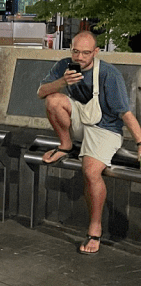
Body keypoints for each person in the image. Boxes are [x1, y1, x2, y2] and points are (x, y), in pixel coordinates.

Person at [37, 30, 141, 254]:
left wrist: (140, 143)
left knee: (91, 171)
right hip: (81, 122)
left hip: (105, 129)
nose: (80, 57)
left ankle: (95, 229)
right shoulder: (65, 66)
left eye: (85, 53)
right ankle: (65, 145)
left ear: (95, 52)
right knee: (53, 101)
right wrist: (62, 82)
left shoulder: (108, 74)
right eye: (76, 51)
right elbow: (41, 92)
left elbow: (125, 114)